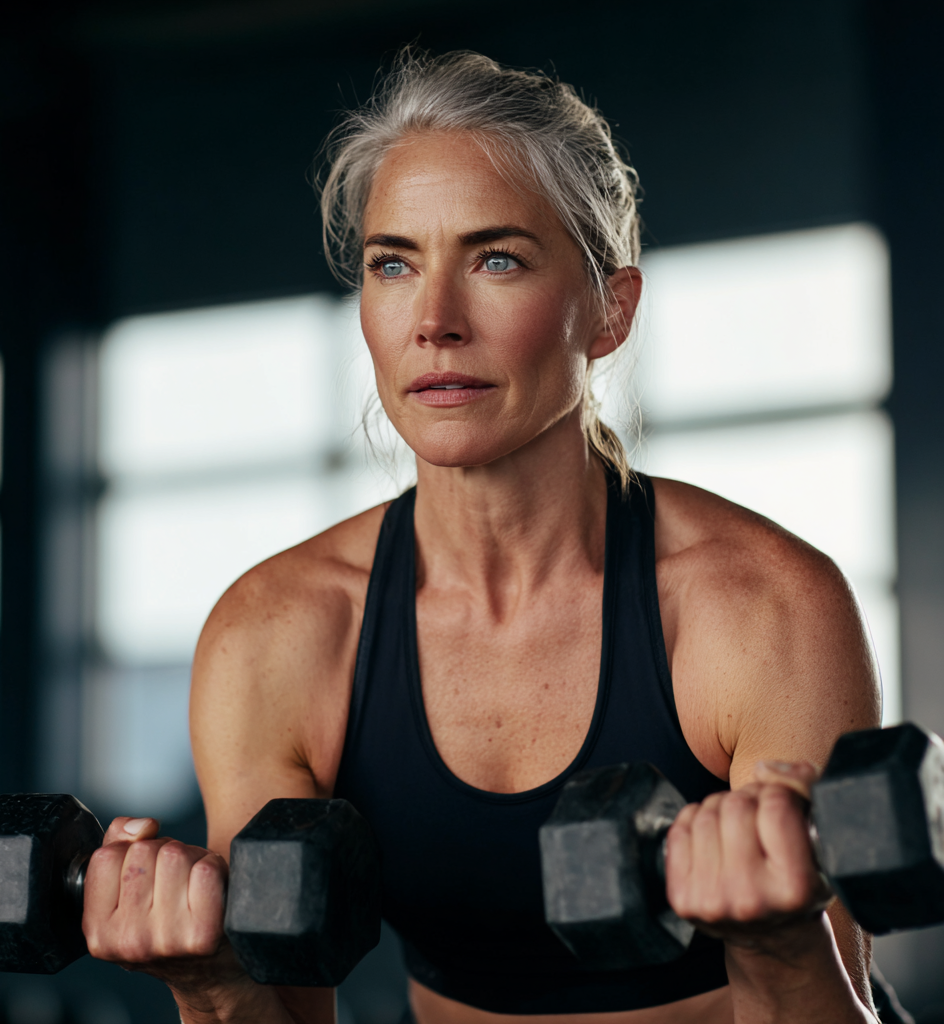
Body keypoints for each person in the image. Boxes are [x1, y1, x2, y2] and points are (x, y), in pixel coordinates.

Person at [81, 51, 882, 1023]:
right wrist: (211, 983)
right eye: (393, 264)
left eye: (496, 258)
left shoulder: (763, 606)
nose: (434, 321)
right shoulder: (277, 634)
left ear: (609, 310)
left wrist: (782, 941)